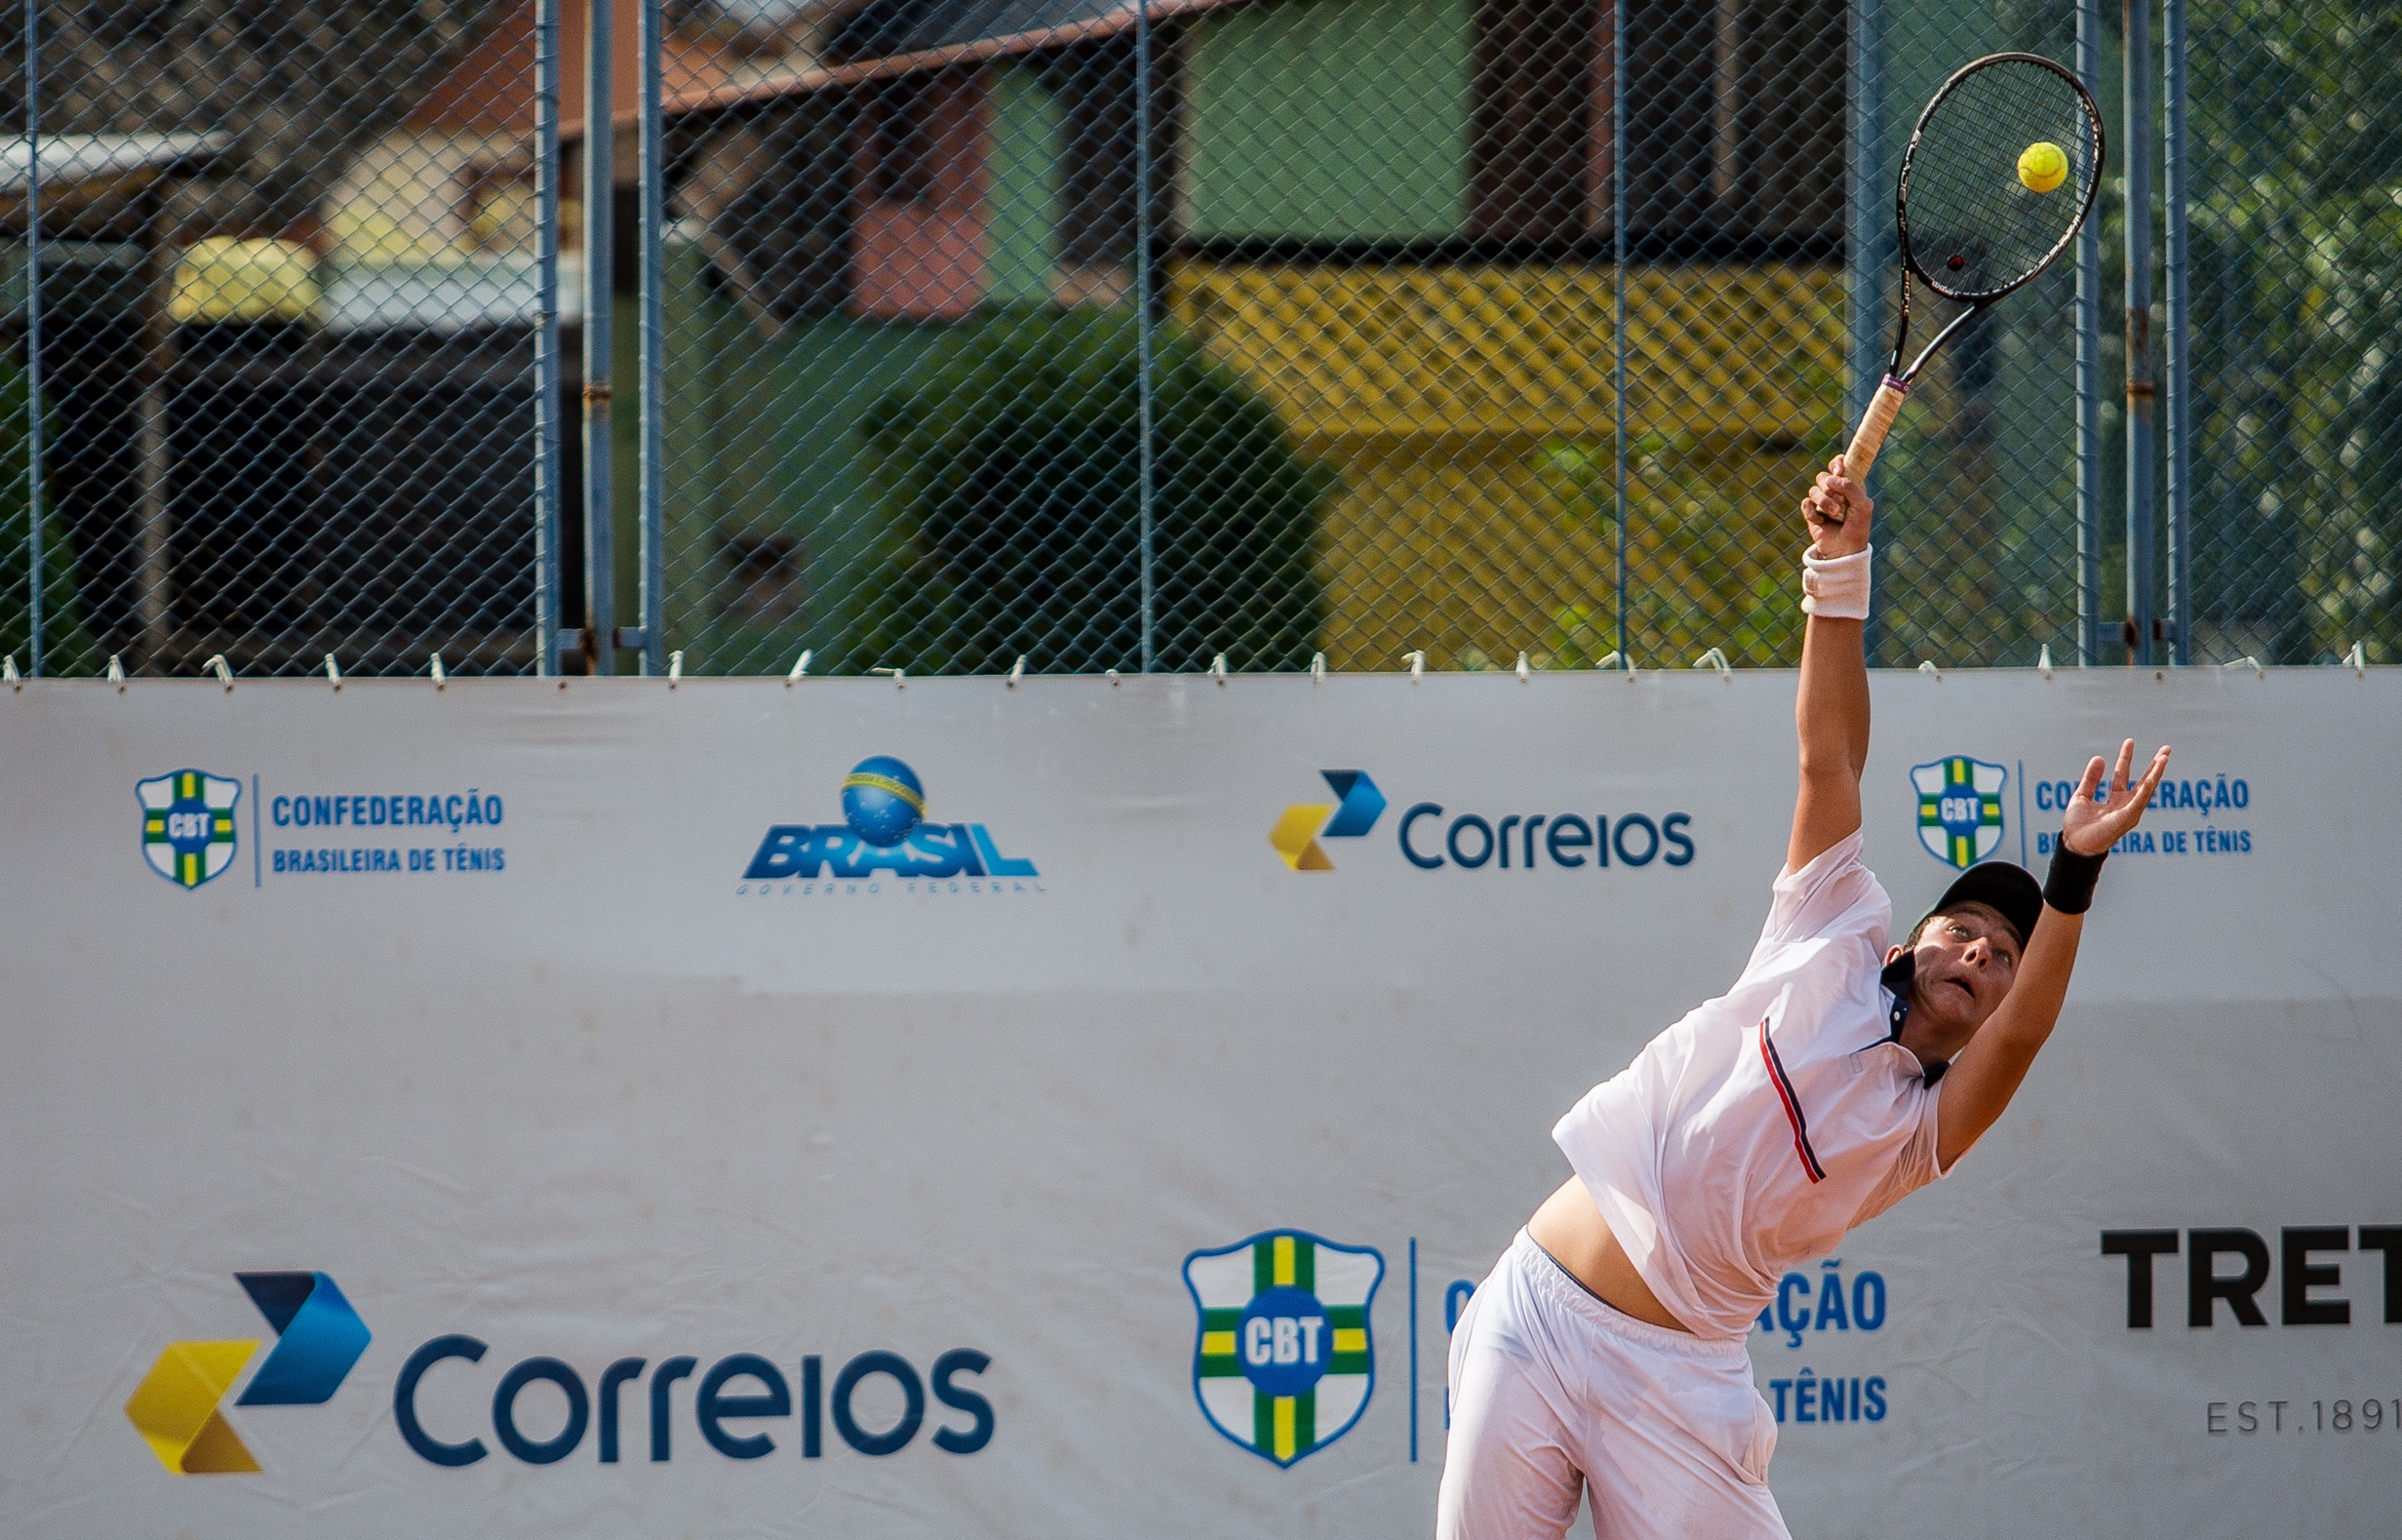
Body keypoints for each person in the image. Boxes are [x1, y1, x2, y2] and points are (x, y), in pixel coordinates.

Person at [1436, 457, 2171, 1540]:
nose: (1977, 948)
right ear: (1915, 935)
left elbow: (2020, 1043)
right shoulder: (1827, 934)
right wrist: (1837, 568)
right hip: (1536, 1317)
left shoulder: (1919, 1130)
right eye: (1963, 925)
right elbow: (1829, 763)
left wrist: (2071, 872)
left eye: (2003, 951)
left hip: (1681, 1386)